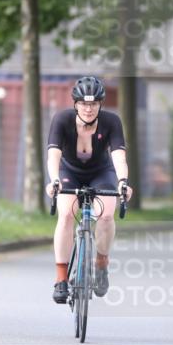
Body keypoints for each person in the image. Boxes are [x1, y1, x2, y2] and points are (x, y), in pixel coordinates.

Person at [45, 76, 133, 304]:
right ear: (75, 104)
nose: (88, 108)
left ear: (100, 104)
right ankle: (61, 279)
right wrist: (54, 180)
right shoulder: (62, 120)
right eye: (84, 104)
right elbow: (53, 155)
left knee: (105, 215)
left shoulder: (111, 122)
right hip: (69, 172)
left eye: (93, 104)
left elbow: (118, 157)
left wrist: (123, 181)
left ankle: (101, 263)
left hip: (101, 172)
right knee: (65, 215)